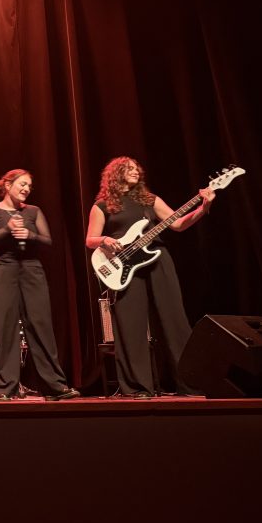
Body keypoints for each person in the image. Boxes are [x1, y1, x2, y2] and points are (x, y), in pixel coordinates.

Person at [85, 156, 213, 398]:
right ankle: (137, 387)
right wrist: (105, 240)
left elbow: (178, 224)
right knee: (130, 324)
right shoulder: (102, 206)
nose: (135, 171)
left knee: (174, 318)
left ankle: (190, 383)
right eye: (129, 168)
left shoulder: (149, 200)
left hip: (157, 260)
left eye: (136, 168)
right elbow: (90, 239)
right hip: (122, 265)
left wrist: (202, 207)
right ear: (116, 173)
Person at [0, 169, 79, 401]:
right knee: (4, 327)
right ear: (8, 185)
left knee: (40, 324)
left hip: (31, 270)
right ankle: (4, 387)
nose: (26, 189)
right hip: (2, 269)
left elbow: (48, 240)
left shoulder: (34, 211)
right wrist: (6, 230)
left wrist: (30, 235)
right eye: (22, 184)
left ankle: (54, 386)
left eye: (30, 186)